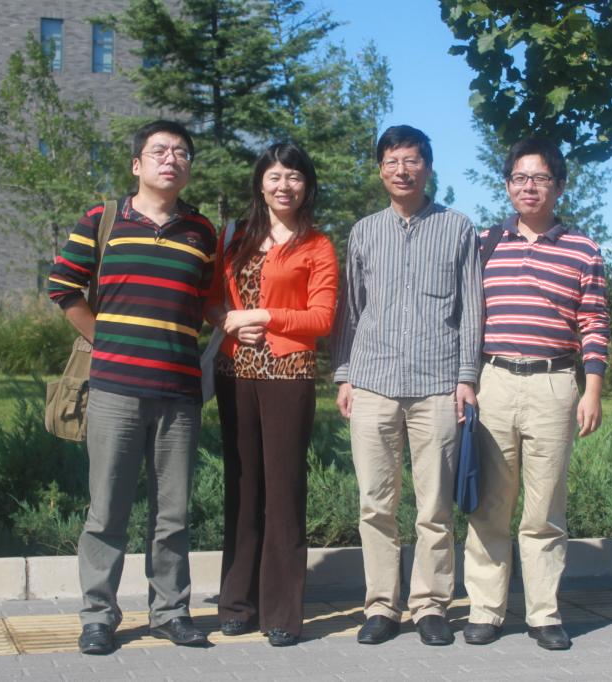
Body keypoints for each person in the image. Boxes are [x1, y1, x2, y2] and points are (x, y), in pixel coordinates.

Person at [47, 120, 215, 655]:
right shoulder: (104, 219)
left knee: (173, 514)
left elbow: (207, 302)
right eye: (160, 150)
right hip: (115, 390)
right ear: (137, 164)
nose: (172, 159)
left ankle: (170, 611)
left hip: (180, 393)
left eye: (182, 152)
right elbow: (62, 286)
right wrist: (106, 340)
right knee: (107, 510)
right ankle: (98, 616)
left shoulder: (202, 231)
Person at [331, 125, 483, 646]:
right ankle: (381, 605)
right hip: (372, 383)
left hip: (437, 384)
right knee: (376, 504)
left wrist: (466, 377)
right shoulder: (364, 231)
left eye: (412, 160)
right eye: (392, 161)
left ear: (428, 167)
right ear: (380, 170)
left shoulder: (458, 227)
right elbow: (351, 310)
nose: (403, 170)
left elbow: (472, 310)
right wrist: (344, 374)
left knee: (434, 506)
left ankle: (430, 605)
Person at [462, 137, 609, 650]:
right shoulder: (483, 244)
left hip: (554, 382)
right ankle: (485, 610)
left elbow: (594, 322)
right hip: (494, 381)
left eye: (541, 178)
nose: (530, 187)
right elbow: (464, 318)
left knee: (544, 509)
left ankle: (544, 613)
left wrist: (592, 390)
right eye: (520, 178)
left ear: (559, 186)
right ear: (507, 185)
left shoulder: (584, 249)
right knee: (490, 505)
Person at [208, 143, 338, 647]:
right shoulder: (234, 237)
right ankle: (237, 602)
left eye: (295, 177)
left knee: (283, 491)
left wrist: (262, 316)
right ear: (260, 183)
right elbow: (210, 301)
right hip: (234, 370)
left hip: (289, 372)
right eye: (275, 176)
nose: (285, 186)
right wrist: (229, 321)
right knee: (242, 487)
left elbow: (321, 318)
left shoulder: (317, 245)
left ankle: (282, 611)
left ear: (307, 185)